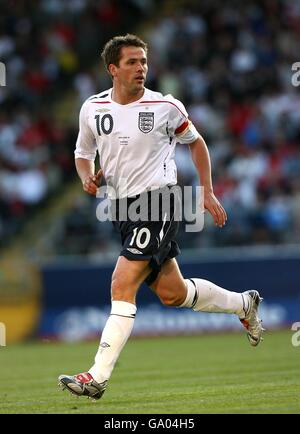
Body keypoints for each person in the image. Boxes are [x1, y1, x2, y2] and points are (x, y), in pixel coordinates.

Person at [58, 34, 264, 401]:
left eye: (143, 62)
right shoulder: (92, 108)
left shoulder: (165, 106)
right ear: (113, 69)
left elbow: (197, 143)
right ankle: (244, 303)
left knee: (121, 284)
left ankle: (97, 377)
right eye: (132, 62)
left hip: (159, 202)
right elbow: (82, 151)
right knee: (174, 293)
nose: (141, 68)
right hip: (122, 208)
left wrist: (206, 190)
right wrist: (86, 176)